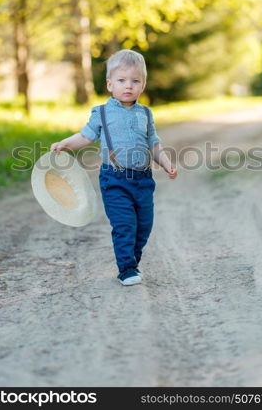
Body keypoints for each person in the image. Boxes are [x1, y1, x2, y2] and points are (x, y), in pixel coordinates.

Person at [51, 49, 178, 286]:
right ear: (110, 84)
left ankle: (132, 261)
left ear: (143, 85)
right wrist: (66, 145)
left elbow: (154, 144)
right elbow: (86, 137)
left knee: (144, 227)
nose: (128, 86)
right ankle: (126, 269)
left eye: (135, 81)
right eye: (121, 80)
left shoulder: (146, 114)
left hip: (143, 180)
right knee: (124, 225)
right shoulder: (101, 113)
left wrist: (167, 163)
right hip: (115, 180)